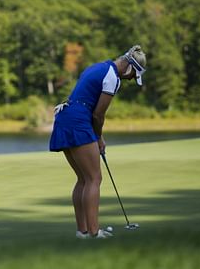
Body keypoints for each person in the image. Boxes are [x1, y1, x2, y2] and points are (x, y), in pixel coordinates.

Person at [49, 45, 147, 239]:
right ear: (129, 66)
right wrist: (98, 137)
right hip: (78, 121)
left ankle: (82, 231)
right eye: (133, 75)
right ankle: (94, 232)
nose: (130, 79)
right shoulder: (113, 77)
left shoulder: (98, 67)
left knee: (84, 179)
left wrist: (97, 137)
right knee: (94, 179)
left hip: (65, 118)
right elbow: (98, 115)